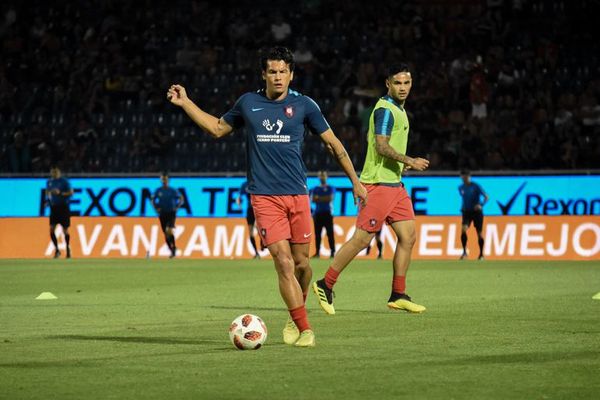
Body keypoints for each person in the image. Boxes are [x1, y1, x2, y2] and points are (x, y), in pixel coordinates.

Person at [167, 46, 367, 347]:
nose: (277, 77)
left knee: (302, 264)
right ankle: (305, 327)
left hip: (298, 195)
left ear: (291, 74)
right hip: (264, 197)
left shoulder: (305, 106)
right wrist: (186, 103)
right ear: (264, 74)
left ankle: (294, 312)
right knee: (284, 263)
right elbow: (217, 128)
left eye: (283, 71)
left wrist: (356, 181)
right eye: (272, 71)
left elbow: (333, 145)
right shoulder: (248, 103)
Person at [313, 63, 429, 315]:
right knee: (362, 240)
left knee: (408, 237)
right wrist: (409, 160)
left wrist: (399, 166)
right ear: (388, 84)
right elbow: (381, 146)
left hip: (394, 186)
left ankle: (398, 293)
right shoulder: (386, 110)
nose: (403, 88)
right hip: (377, 185)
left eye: (407, 83)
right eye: (397, 83)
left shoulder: (399, 109)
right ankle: (326, 283)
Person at [151, 173, 184, 258]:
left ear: (168, 181)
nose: (164, 182)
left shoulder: (172, 190)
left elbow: (181, 198)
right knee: (166, 233)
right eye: (163, 180)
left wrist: (177, 207)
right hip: (162, 213)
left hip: (171, 213)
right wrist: (156, 208)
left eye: (165, 180)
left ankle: (173, 247)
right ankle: (172, 249)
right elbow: (153, 199)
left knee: (169, 230)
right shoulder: (158, 190)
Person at [458, 169, 489, 260]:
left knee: (479, 233)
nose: (465, 178)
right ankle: (464, 252)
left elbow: (486, 197)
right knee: (463, 230)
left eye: (466, 176)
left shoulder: (475, 186)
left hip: (477, 213)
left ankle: (481, 254)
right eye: (463, 176)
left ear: (469, 177)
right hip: (466, 212)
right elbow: (464, 198)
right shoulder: (461, 187)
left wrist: (481, 205)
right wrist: (463, 207)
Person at [45, 166, 74, 258]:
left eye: (56, 171)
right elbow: (48, 193)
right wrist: (48, 201)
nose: (54, 173)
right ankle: (57, 250)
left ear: (59, 172)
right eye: (52, 172)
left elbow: (71, 192)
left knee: (65, 230)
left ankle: (68, 249)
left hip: (63, 207)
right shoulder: (49, 182)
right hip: (54, 208)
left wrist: (60, 193)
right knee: (51, 229)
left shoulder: (64, 181)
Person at [310, 171, 335, 259]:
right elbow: (313, 199)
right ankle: (317, 252)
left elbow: (330, 198)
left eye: (323, 175)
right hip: (318, 214)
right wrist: (324, 198)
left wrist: (319, 198)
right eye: (320, 176)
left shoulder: (330, 188)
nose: (322, 177)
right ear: (318, 177)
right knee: (317, 234)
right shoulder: (315, 188)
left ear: (326, 177)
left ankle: (332, 252)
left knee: (330, 233)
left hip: (327, 213)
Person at [236, 180, 262, 258]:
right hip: (250, 209)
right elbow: (239, 197)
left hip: (258, 208)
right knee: (250, 232)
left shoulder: (258, 182)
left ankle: (262, 242)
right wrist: (239, 204)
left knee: (258, 227)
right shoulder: (244, 184)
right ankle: (256, 252)